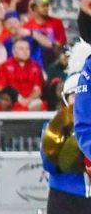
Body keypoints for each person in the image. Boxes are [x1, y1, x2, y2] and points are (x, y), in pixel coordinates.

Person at [53, 33, 91, 212]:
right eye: (72, 95)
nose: (76, 99)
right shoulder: (57, 123)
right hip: (65, 193)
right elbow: (51, 162)